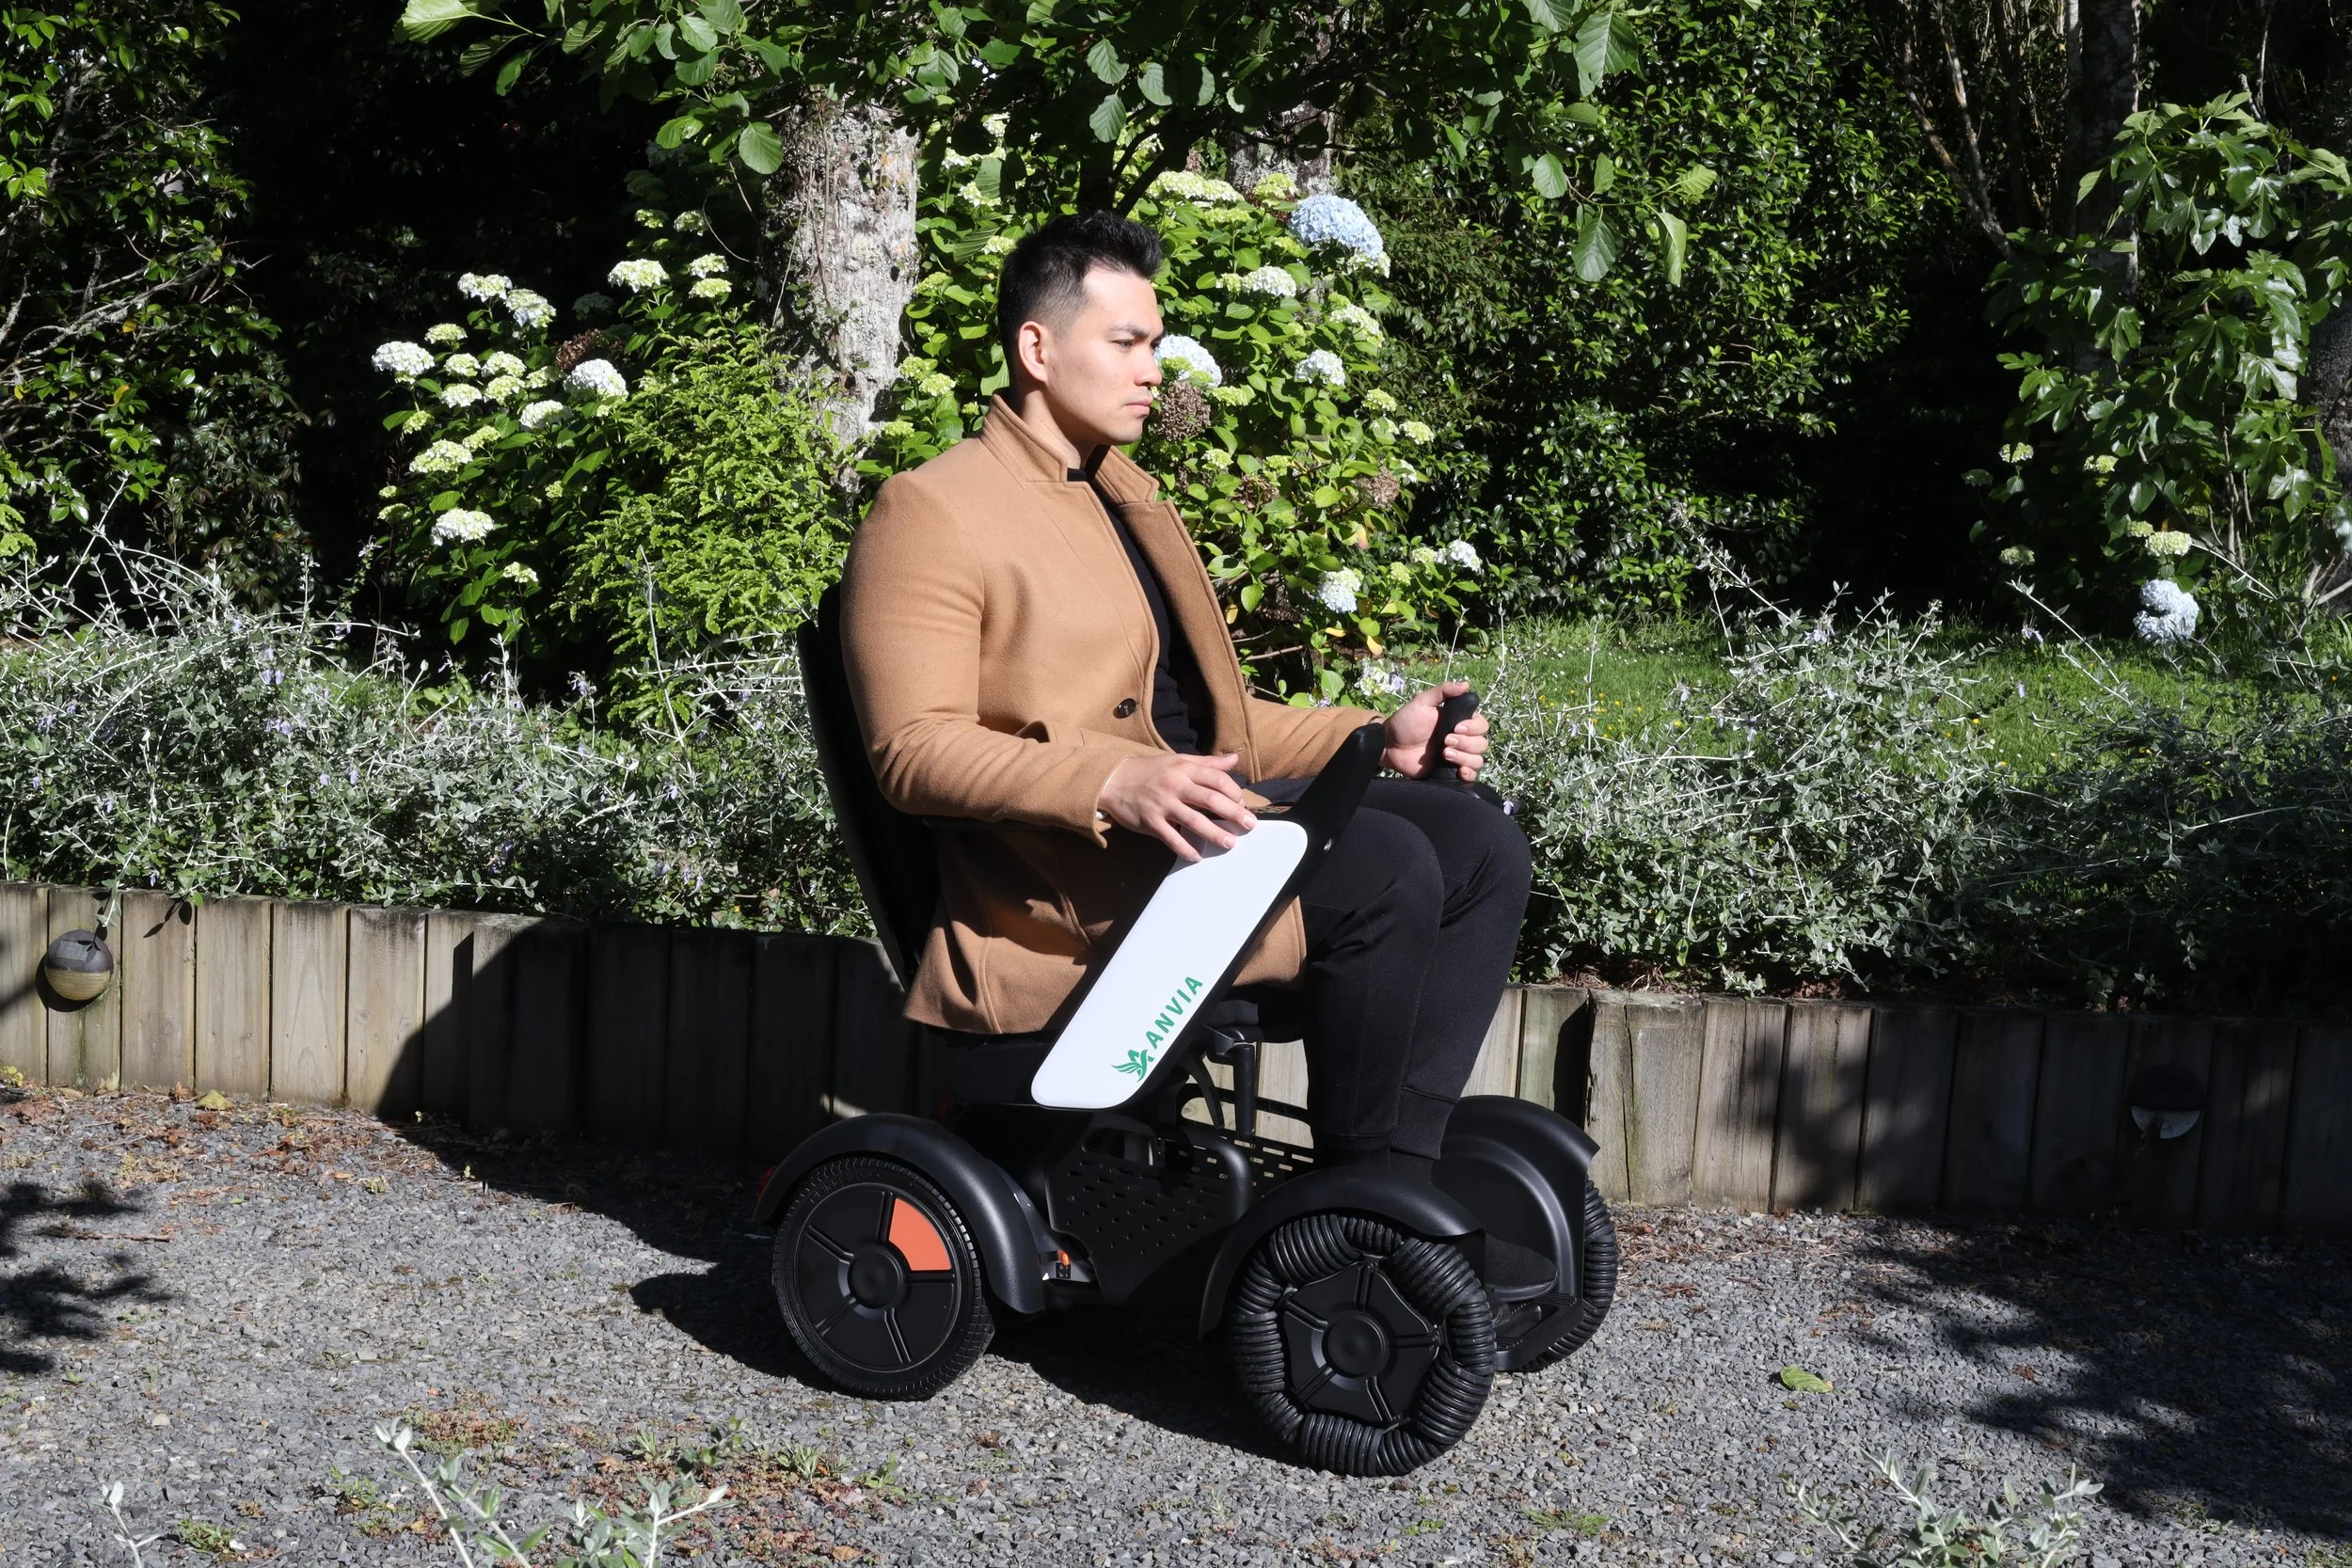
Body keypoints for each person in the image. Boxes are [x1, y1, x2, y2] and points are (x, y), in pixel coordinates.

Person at [839, 211, 1530, 1177]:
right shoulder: (932, 509)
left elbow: (1218, 728)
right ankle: (1362, 1191)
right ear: (1036, 347)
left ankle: (1396, 1166)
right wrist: (1113, 783)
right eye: (1127, 342)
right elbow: (910, 750)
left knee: (1477, 841)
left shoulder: (1126, 498)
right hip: (1071, 884)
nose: (1153, 368)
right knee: (1383, 863)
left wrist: (1379, 736)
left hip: (1183, 846)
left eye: (1154, 344)